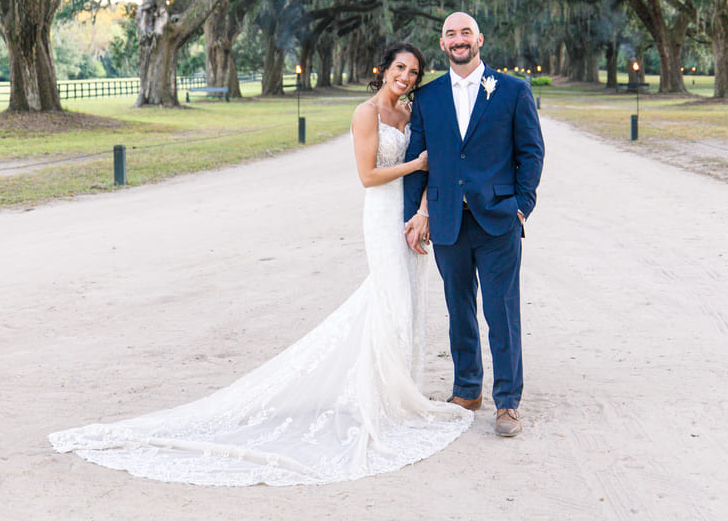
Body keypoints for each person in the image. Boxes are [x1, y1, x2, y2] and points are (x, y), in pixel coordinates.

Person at [49, 43, 471, 486]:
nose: (405, 76)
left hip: (407, 216)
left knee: (405, 303)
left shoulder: (408, 114)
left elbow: (428, 168)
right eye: (399, 67)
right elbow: (367, 176)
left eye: (413, 71)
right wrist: (416, 162)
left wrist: (422, 202)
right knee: (388, 300)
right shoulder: (366, 114)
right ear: (383, 69)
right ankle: (383, 398)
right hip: (381, 214)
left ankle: (395, 393)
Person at [402, 12, 545, 438]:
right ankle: (467, 389)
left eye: (466, 32)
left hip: (498, 218)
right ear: (442, 44)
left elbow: (531, 153)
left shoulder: (513, 90)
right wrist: (417, 214)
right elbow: (418, 161)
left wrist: (521, 206)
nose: (459, 40)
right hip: (447, 221)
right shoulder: (427, 98)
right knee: (459, 309)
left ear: (479, 39)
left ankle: (507, 401)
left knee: (502, 312)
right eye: (451, 34)